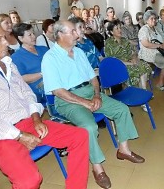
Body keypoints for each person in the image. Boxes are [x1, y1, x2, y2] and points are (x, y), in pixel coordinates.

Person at [41, 20, 145, 189]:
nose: (77, 34)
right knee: (89, 127)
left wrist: (96, 95)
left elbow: (93, 78)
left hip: (90, 92)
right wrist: (85, 103)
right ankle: (97, 168)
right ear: (60, 35)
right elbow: (58, 91)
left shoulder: (79, 52)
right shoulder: (50, 58)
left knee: (122, 109)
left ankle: (123, 150)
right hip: (67, 100)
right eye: (73, 31)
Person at [0, 25, 90, 189]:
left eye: (4, 37)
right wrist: (19, 136)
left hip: (27, 122)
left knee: (80, 136)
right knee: (30, 181)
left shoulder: (8, 64)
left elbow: (27, 94)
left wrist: (36, 118)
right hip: (2, 135)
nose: (6, 42)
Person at [138, 10, 164, 92]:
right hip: (148, 52)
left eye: (155, 18)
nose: (154, 20)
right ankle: (160, 83)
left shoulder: (156, 28)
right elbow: (145, 44)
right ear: (146, 20)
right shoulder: (144, 30)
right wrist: (160, 45)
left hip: (160, 51)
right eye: (151, 19)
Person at [11, 23, 48, 103]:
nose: (34, 37)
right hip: (39, 94)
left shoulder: (44, 49)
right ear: (21, 38)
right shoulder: (16, 57)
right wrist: (42, 74)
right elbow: (22, 78)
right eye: (29, 35)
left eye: (33, 33)